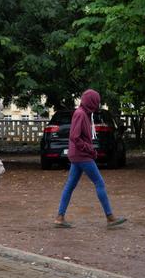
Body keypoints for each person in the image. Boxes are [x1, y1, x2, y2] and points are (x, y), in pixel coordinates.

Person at [54, 89, 127, 228]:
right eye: (96, 102)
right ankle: (110, 217)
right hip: (81, 155)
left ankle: (59, 217)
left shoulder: (83, 113)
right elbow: (74, 136)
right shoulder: (81, 114)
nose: (97, 105)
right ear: (91, 102)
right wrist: (89, 149)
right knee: (99, 182)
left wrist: (89, 149)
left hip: (77, 155)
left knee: (70, 186)